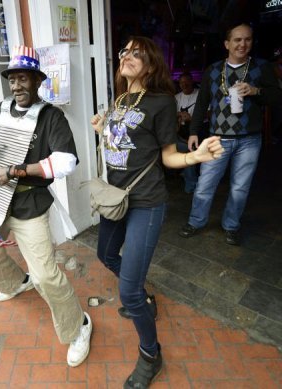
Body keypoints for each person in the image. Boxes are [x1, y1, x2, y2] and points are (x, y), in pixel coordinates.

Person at [90, 36, 223, 388]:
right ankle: (145, 299)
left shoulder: (161, 102)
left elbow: (166, 154)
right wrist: (104, 128)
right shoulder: (119, 99)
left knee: (128, 291)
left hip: (146, 202)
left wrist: (194, 157)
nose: (128, 57)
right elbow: (126, 143)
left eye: (138, 54)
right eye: (125, 52)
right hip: (117, 196)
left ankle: (151, 354)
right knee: (104, 253)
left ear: (151, 65)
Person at [0, 45, 92, 368]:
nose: (17, 86)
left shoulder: (52, 117)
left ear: (37, 81)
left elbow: (66, 162)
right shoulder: (0, 110)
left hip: (28, 203)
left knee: (47, 276)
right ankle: (16, 283)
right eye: (13, 80)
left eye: (24, 79)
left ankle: (79, 327)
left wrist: (16, 171)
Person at [179, 22, 282, 246]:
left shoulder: (261, 68)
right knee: (205, 183)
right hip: (217, 138)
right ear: (227, 43)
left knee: (240, 187)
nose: (242, 44)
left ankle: (231, 225)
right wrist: (194, 131)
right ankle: (196, 221)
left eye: (247, 39)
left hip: (249, 140)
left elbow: (276, 97)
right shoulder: (213, 70)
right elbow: (201, 102)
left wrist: (257, 91)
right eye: (237, 39)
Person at [174, 72, 200, 193]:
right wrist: (179, 115)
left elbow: (210, 113)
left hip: (198, 129)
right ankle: (188, 176)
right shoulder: (176, 97)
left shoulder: (199, 94)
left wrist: (192, 118)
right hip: (180, 131)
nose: (184, 84)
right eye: (181, 82)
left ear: (192, 82)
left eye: (187, 82)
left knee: (189, 150)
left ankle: (191, 183)